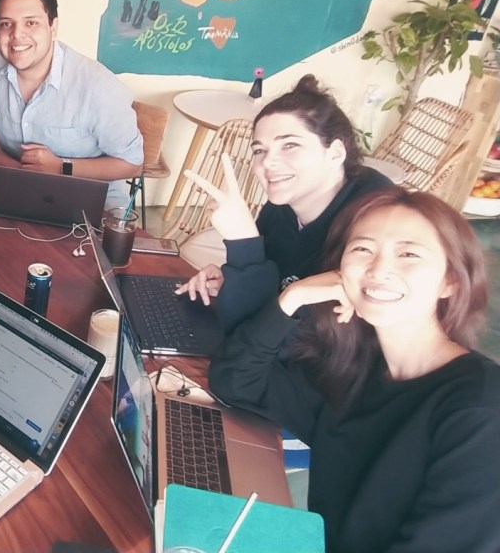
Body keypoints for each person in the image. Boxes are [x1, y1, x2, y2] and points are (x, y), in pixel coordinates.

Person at [209, 187, 500, 553]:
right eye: (363, 249)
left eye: (408, 253)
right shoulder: (354, 370)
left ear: (451, 280)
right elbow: (235, 381)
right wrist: (294, 297)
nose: (378, 270)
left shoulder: (480, 409)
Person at [177, 74, 393, 333]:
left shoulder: (377, 226)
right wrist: (233, 277)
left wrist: (244, 242)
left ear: (335, 153)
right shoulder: (281, 207)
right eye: (259, 150)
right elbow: (262, 300)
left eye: (290, 145)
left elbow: (269, 335)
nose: (267, 162)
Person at [0, 0, 143, 207]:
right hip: (16, 189)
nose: (17, 34)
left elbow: (132, 164)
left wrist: (61, 167)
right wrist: (17, 171)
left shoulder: (98, 85)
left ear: (53, 27)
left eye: (31, 23)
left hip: (90, 200)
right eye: (6, 24)